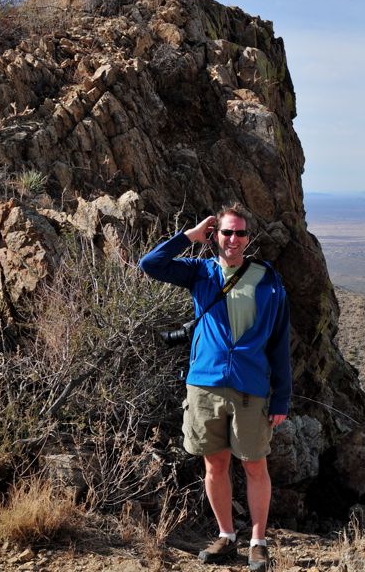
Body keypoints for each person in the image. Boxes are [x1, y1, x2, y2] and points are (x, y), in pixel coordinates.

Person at [139, 204, 291, 571]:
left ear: (249, 238)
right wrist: (189, 236)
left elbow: (279, 345)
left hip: (249, 388)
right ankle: (226, 537)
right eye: (226, 232)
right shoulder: (201, 273)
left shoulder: (268, 281)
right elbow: (151, 264)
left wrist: (281, 396)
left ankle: (258, 542)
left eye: (240, 233)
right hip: (204, 385)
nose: (233, 240)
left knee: (255, 466)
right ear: (215, 235)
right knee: (214, 465)